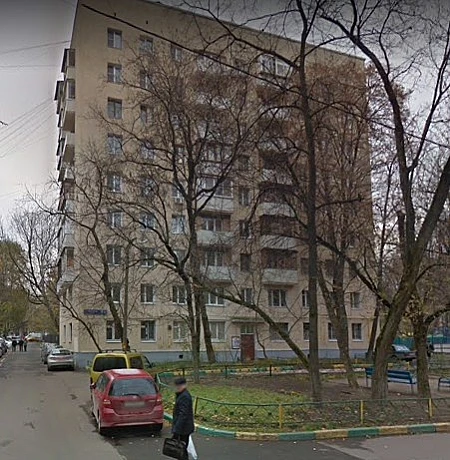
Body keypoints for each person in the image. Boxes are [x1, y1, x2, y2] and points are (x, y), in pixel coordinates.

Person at [172, 377, 194, 460]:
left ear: (183, 386)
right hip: (183, 428)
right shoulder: (181, 394)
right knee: (181, 449)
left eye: (178, 386)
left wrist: (177, 430)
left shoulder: (184, 396)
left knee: (182, 449)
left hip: (183, 429)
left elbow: (183, 414)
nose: (176, 387)